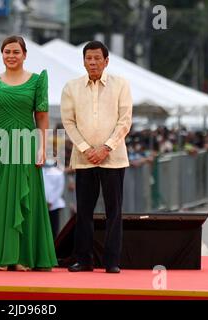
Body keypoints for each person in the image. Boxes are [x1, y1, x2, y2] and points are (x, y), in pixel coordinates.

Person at [0, 36, 57, 271]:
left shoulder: (38, 81)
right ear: (2, 54)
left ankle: (22, 258)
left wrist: (42, 148)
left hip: (26, 145)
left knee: (26, 199)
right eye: (7, 51)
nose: (11, 56)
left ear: (25, 55)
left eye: (16, 52)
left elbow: (41, 117)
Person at [61, 41, 132, 274]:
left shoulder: (121, 85)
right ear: (83, 61)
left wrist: (106, 148)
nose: (92, 62)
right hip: (83, 159)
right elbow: (68, 122)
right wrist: (85, 148)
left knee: (114, 210)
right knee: (83, 211)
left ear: (106, 61)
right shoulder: (71, 87)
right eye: (88, 58)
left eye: (97, 58)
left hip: (114, 158)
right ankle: (84, 259)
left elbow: (125, 121)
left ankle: (112, 261)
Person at [42, 158, 66, 240]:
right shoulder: (39, 172)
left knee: (53, 229)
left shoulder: (58, 173)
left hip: (53, 206)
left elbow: (59, 189)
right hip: (41, 205)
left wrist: (50, 201)